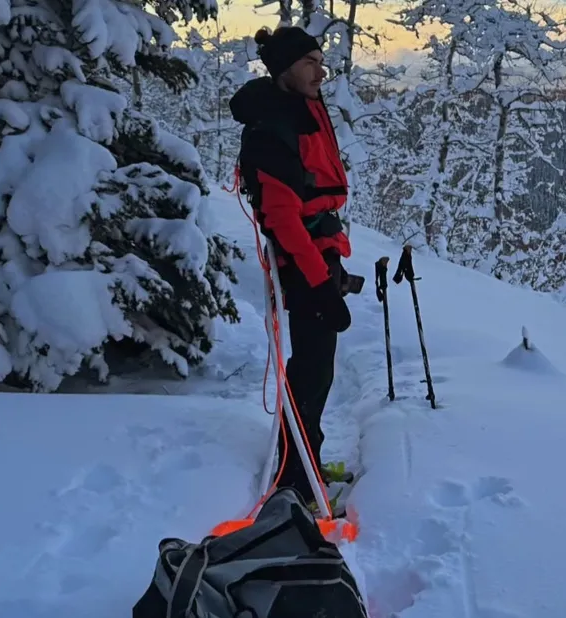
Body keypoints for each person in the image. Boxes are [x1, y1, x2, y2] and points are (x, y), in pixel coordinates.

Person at [229, 26, 353, 508]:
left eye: (321, 61)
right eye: (309, 63)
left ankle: (306, 464)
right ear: (285, 70)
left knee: (316, 369)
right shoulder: (272, 128)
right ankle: (295, 481)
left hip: (318, 253)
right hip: (302, 262)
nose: (320, 71)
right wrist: (320, 285)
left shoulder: (299, 111)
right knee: (310, 371)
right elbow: (282, 218)